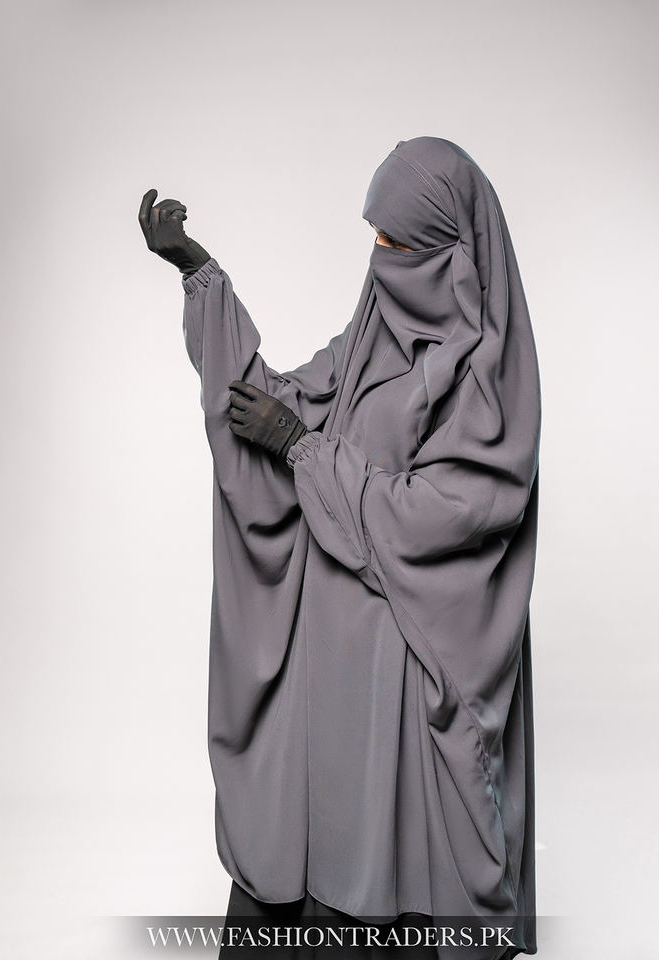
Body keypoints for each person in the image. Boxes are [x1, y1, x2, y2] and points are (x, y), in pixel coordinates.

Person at [139, 137, 542, 960]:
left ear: (453, 250)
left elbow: (448, 515)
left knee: (385, 872)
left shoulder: (486, 377)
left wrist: (304, 449)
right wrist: (201, 278)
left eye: (402, 243)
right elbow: (282, 406)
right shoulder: (373, 333)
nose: (383, 258)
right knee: (307, 846)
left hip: (404, 675)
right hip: (326, 670)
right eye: (376, 237)